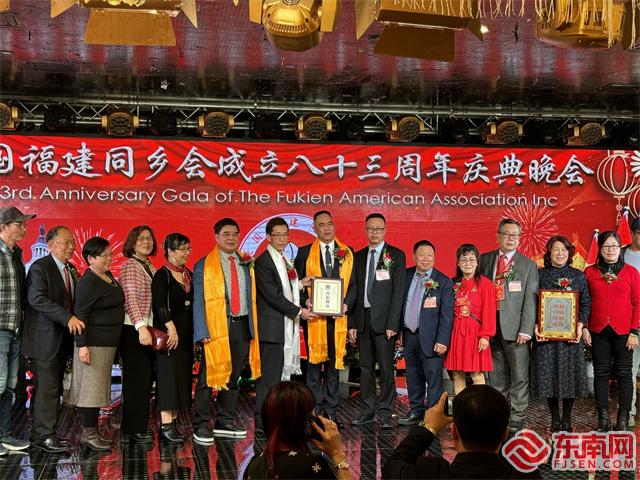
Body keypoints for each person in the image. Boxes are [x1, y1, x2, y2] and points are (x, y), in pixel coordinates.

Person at [192, 218, 261, 443]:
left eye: (235, 234)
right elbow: (199, 300)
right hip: (216, 328)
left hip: (242, 325)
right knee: (208, 377)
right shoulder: (204, 264)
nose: (231, 238)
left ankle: (225, 420)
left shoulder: (246, 262)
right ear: (216, 237)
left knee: (233, 376)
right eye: (226, 234)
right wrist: (201, 331)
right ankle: (201, 424)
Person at [382, 385, 541, 479]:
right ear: (505, 434)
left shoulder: (431, 473)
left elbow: (392, 467)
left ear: (454, 432)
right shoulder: (525, 476)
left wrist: (428, 427)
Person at [22, 226, 85, 453]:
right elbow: (36, 299)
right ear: (50, 245)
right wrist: (67, 317)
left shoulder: (70, 270)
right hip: (43, 341)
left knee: (52, 388)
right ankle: (44, 436)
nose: (71, 247)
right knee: (47, 389)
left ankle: (43, 433)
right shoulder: (40, 267)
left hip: (62, 341)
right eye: (66, 242)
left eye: (72, 242)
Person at [294, 211, 356, 428]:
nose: (327, 228)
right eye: (321, 225)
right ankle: (312, 413)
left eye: (330, 224)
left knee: (332, 368)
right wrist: (306, 301)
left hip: (337, 320)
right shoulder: (304, 252)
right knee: (313, 369)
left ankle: (331, 412)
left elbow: (354, 285)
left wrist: (346, 304)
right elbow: (296, 285)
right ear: (314, 228)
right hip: (314, 320)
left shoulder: (347, 252)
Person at [254, 217, 315, 428]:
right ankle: (262, 420)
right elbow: (273, 296)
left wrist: (301, 284)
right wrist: (299, 311)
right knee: (269, 378)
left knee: (280, 378)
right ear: (268, 237)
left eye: (285, 235)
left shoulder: (283, 259)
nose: (282, 239)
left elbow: (285, 288)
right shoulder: (263, 262)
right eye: (277, 235)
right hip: (272, 330)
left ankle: (276, 417)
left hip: (283, 328)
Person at [478, 218, 538, 433]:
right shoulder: (485, 260)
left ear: (519, 238)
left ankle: (517, 414)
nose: (511, 238)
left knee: (519, 374)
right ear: (498, 236)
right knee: (496, 373)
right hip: (490, 325)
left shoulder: (528, 265)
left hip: (516, 327)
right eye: (506, 234)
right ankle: (499, 411)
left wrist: (526, 329)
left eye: (515, 235)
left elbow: (531, 300)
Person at [349, 213, 406, 429]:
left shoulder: (396, 256)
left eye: (378, 229)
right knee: (365, 369)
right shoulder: (359, 256)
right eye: (371, 228)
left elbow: (398, 292)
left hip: (385, 324)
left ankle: (385, 412)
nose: (374, 232)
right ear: (365, 230)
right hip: (363, 320)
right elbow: (354, 290)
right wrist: (353, 323)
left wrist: (393, 324)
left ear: (385, 230)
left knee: (385, 369)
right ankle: (367, 411)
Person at [68, 236, 124, 451]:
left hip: (107, 343)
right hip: (93, 343)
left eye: (110, 254)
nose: (109, 258)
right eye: (104, 255)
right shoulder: (88, 281)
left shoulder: (107, 276)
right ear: (91, 258)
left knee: (98, 387)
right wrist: (82, 345)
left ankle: (93, 432)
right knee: (91, 390)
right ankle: (89, 434)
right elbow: (80, 315)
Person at [531, 235, 591, 433]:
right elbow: (531, 303)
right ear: (549, 253)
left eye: (564, 250)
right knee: (548, 377)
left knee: (569, 377)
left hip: (571, 337)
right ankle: (555, 418)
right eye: (556, 249)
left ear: (569, 253)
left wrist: (580, 325)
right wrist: (535, 326)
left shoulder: (578, 276)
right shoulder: (539, 275)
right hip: (546, 337)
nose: (560, 253)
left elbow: (585, 303)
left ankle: (566, 418)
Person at [584, 231, 639, 431]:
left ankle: (623, 418)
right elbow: (584, 302)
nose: (610, 250)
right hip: (598, 330)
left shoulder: (631, 272)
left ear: (619, 248)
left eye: (614, 246)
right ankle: (603, 418)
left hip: (624, 332)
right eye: (606, 246)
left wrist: (634, 332)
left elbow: (638, 302)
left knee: (625, 374)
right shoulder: (589, 272)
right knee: (601, 373)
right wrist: (584, 327)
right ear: (600, 249)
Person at [244, 381, 352, 480]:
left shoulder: (253, 465)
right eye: (313, 414)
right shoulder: (312, 465)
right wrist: (338, 455)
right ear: (304, 422)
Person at [398, 240, 453, 426]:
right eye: (422, 255)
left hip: (432, 339)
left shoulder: (443, 281)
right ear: (414, 256)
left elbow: (447, 315)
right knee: (413, 376)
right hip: (409, 335)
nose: (426, 259)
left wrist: (443, 340)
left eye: (430, 255)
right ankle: (416, 411)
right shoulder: (405, 276)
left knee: (434, 379)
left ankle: (433, 416)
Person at [152, 233, 194, 442]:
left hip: (185, 336)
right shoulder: (162, 275)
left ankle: (175, 422)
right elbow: (159, 304)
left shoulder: (188, 274)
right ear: (170, 251)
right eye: (182, 249)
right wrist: (171, 329)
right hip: (169, 334)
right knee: (168, 378)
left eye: (188, 249)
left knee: (181, 377)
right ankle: (166, 425)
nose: (186, 253)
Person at [0, 206, 35, 454]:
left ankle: (4, 435)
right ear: (3, 227)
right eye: (19, 224)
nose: (24, 228)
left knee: (11, 384)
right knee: (1, 381)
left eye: (24, 224)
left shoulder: (16, 254)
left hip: (14, 328)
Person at [118, 225, 157, 444]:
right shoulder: (131, 266)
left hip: (146, 329)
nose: (146, 242)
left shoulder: (148, 265)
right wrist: (141, 327)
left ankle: (138, 426)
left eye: (149, 238)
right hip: (134, 330)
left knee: (144, 381)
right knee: (136, 381)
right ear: (132, 243)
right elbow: (130, 298)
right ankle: (132, 429)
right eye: (141, 238)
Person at [445, 244, 496, 395]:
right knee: (457, 374)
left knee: (477, 374)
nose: (468, 263)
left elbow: (489, 312)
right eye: (464, 259)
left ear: (477, 262)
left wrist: (485, 336)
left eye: (472, 259)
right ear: (458, 263)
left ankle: (480, 407)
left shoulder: (485, 284)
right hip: (456, 333)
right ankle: (460, 408)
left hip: (476, 334)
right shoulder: (453, 284)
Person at [622, 216, 640, 427]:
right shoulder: (621, 255)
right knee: (629, 369)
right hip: (629, 321)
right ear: (634, 234)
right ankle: (629, 412)